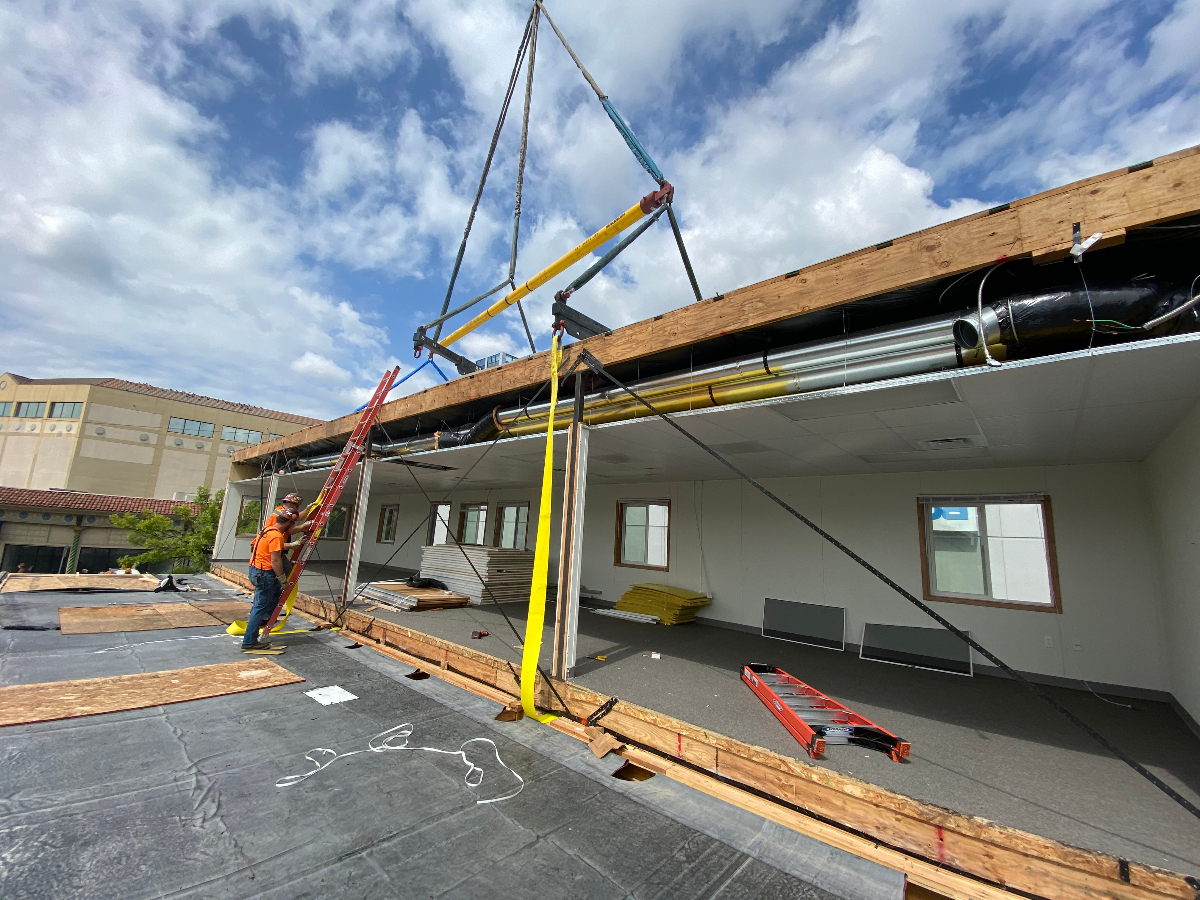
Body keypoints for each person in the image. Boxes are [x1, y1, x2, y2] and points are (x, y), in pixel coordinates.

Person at [243, 506, 298, 652]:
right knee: (259, 609)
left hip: (255, 570)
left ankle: (263, 622)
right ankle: (249, 642)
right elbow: (276, 561)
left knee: (266, 602)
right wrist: (282, 580)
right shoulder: (276, 536)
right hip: (265, 574)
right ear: (288, 524)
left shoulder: (266, 530)